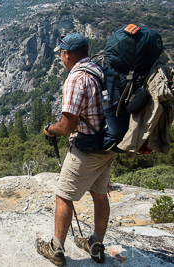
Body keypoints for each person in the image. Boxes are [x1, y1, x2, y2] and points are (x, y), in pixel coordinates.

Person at [35, 33, 116, 266]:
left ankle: (56, 250)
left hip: (87, 149)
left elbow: (67, 125)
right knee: (100, 194)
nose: (61, 58)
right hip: (108, 144)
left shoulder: (76, 78)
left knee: (63, 196)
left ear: (66, 54)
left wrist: (50, 128)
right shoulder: (98, 70)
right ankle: (96, 245)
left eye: (61, 54)